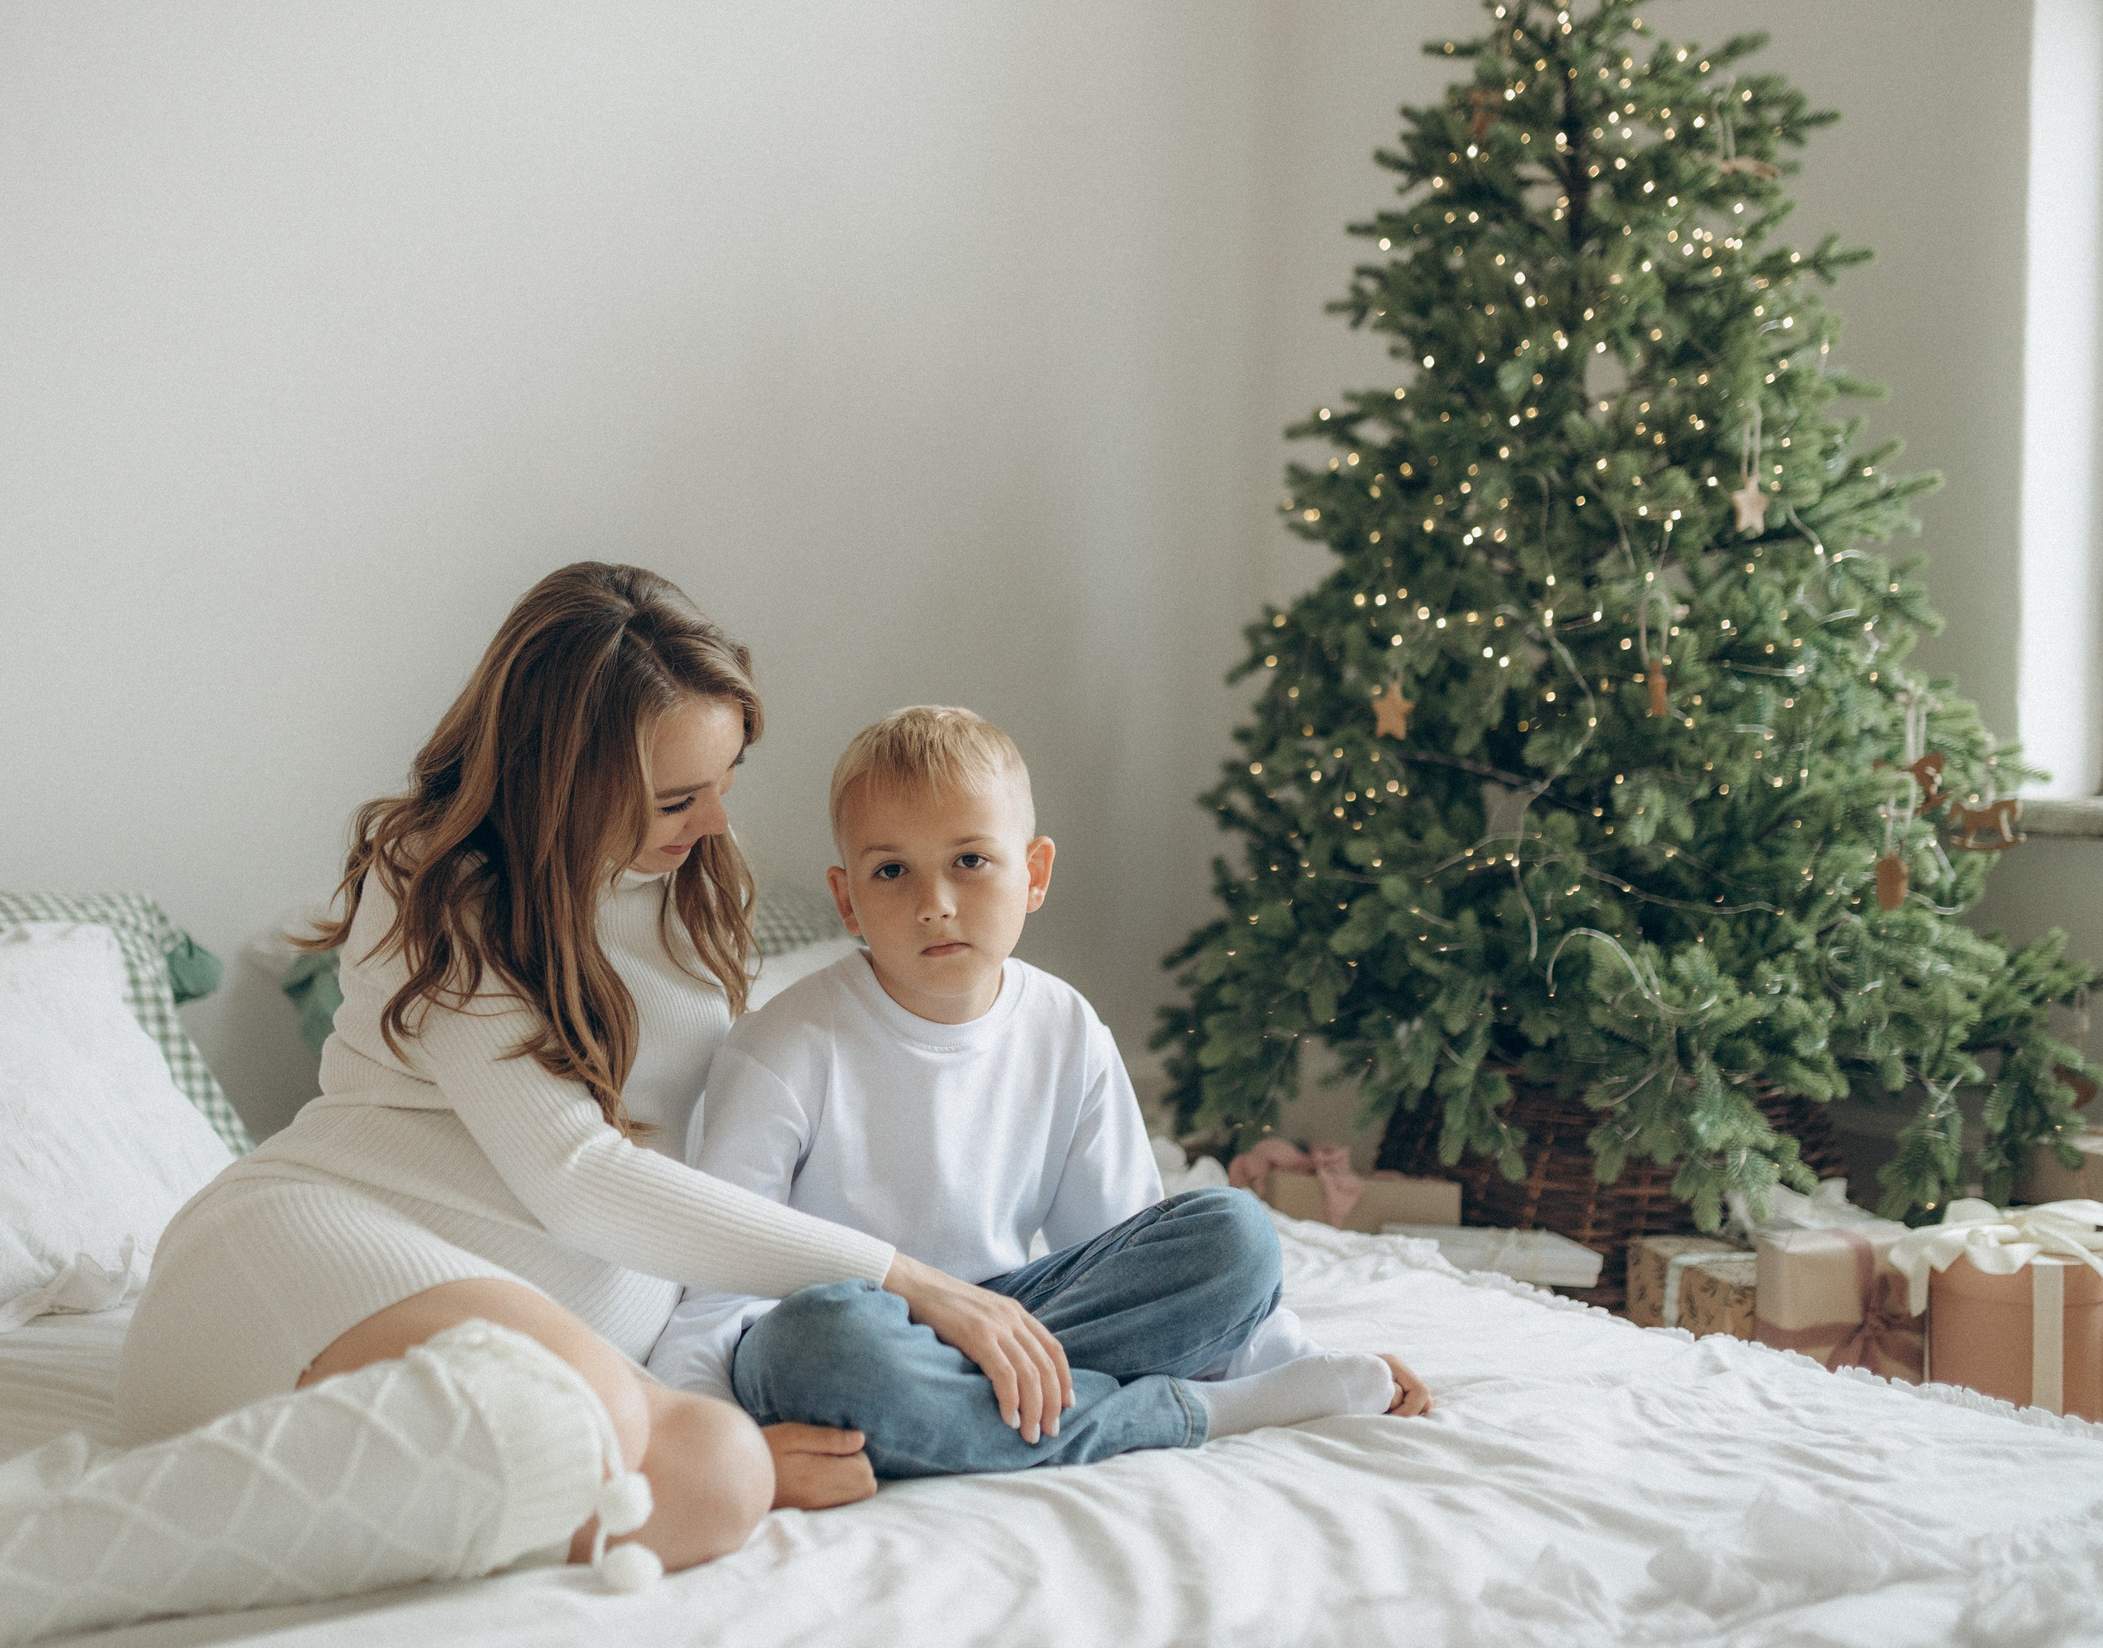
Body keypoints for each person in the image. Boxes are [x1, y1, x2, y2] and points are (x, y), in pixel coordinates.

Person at [114, 565, 1074, 1572]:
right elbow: (578, 1178)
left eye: (725, 782)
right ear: (562, 780)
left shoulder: (697, 873)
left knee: (716, 1472)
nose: (712, 821)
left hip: (579, 1341)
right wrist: (905, 1279)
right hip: (319, 1255)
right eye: (674, 798)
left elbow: (744, 1129)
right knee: (684, 1458)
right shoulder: (435, 885)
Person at [646, 706, 1431, 1479]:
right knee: (819, 1341)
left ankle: (962, 1415)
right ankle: (1196, 1413)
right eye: (891, 871)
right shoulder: (782, 1047)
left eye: (970, 861)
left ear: (1035, 873)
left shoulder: (1066, 1026)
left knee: (1236, 1235)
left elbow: (1125, 1248)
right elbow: (713, 1300)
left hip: (1022, 1321)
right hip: (854, 1335)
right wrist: (719, 1449)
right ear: (847, 899)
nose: (935, 902)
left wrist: (1304, 1360)